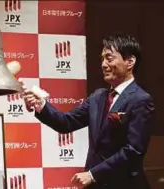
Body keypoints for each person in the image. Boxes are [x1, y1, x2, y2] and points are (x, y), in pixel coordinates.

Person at [22, 34, 155, 189]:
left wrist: (93, 174)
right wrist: (41, 105)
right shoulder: (97, 97)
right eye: (102, 59)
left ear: (130, 62)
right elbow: (66, 123)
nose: (104, 64)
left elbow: (134, 150)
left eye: (109, 58)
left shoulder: (141, 100)